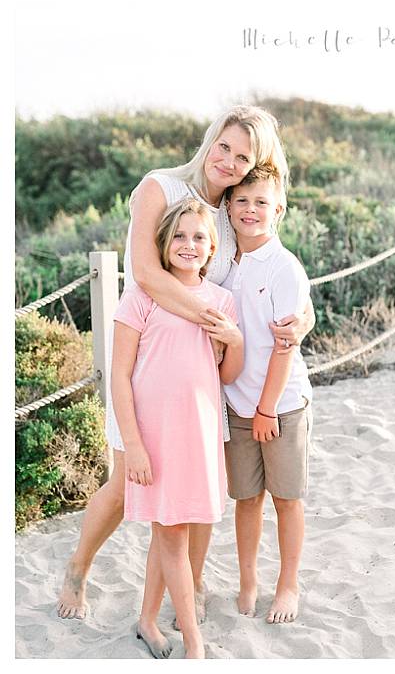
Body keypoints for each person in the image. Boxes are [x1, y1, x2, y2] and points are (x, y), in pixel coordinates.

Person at [57, 105, 315, 621]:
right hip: (149, 367)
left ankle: (190, 586)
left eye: (244, 157)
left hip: (205, 379)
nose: (229, 161)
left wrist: (303, 316)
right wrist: (214, 322)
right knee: (124, 481)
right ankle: (78, 569)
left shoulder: (233, 211)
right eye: (224, 146)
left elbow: (268, 271)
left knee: (200, 486)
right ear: (209, 139)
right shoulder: (159, 188)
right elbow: (148, 276)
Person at [111, 199, 243, 658]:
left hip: (199, 435)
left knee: (171, 528)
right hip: (155, 437)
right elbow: (120, 377)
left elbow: (226, 374)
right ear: (164, 244)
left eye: (199, 238)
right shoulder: (142, 296)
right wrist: (134, 445)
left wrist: (233, 339)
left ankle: (148, 619)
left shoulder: (222, 302)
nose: (189, 245)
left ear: (212, 249)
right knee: (172, 535)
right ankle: (194, 642)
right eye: (180, 236)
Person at [221, 164, 313, 624]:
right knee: (247, 498)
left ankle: (288, 585)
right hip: (236, 403)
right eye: (241, 201)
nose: (251, 210)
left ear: (279, 209)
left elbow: (284, 346)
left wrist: (266, 408)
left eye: (261, 203)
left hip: (280, 405)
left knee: (286, 498)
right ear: (229, 207)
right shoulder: (222, 262)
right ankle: (248, 579)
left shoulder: (284, 268)